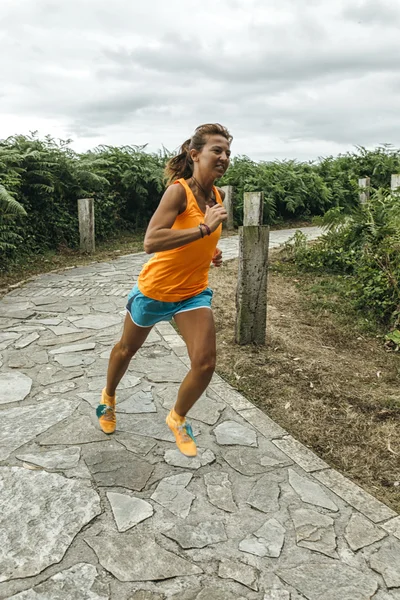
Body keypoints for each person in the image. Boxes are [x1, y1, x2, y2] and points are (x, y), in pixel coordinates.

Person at [96, 123, 232, 457]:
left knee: (205, 362)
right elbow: (151, 241)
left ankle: (177, 417)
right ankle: (108, 398)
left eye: (228, 151)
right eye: (217, 150)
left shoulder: (218, 195)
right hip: (155, 291)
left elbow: (199, 239)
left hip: (193, 292)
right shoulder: (177, 192)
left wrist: (209, 251)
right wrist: (203, 230)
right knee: (127, 349)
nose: (224, 157)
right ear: (195, 153)